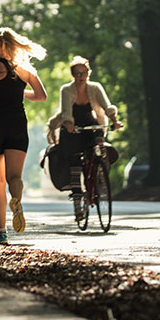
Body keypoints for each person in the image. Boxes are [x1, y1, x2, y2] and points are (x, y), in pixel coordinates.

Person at [0, 27, 47, 244]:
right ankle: (16, 200)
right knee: (14, 177)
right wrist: (18, 91)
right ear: (13, 46)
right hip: (16, 125)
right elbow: (41, 96)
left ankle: (2, 230)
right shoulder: (25, 70)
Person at [57, 56, 121, 220]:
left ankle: (100, 174)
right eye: (77, 74)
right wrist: (69, 124)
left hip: (90, 124)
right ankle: (78, 205)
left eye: (84, 73)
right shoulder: (66, 90)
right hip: (73, 127)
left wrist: (114, 121)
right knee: (75, 164)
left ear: (88, 73)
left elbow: (107, 106)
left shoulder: (95, 88)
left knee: (99, 143)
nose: (81, 77)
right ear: (72, 74)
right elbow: (65, 112)